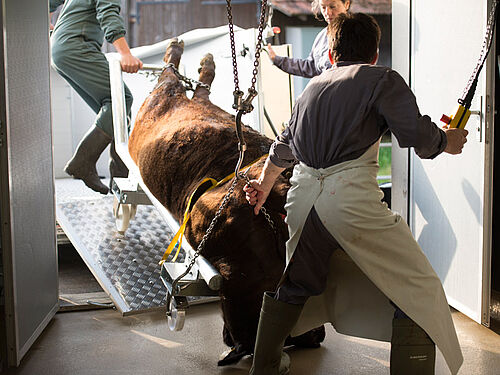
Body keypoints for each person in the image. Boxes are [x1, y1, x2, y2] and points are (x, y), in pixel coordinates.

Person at [244, 12, 467, 375]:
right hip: (349, 200)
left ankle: (264, 366)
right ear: (375, 54)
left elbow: (282, 149)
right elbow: (415, 136)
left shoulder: (309, 91)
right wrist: (447, 140)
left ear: (330, 55)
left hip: (302, 198)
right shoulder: (383, 80)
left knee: (297, 282)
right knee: (418, 283)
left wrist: (265, 184)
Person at [50, 0, 143, 194]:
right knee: (121, 100)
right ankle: (82, 161)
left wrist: (50, 26)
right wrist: (125, 53)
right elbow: (107, 13)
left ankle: (121, 180)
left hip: (62, 49)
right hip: (76, 46)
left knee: (118, 114)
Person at [267, 0, 350, 78]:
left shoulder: (357, 34)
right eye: (323, 7)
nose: (327, 12)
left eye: (332, 6)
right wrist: (277, 60)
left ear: (346, 4)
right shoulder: (322, 36)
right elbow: (310, 67)